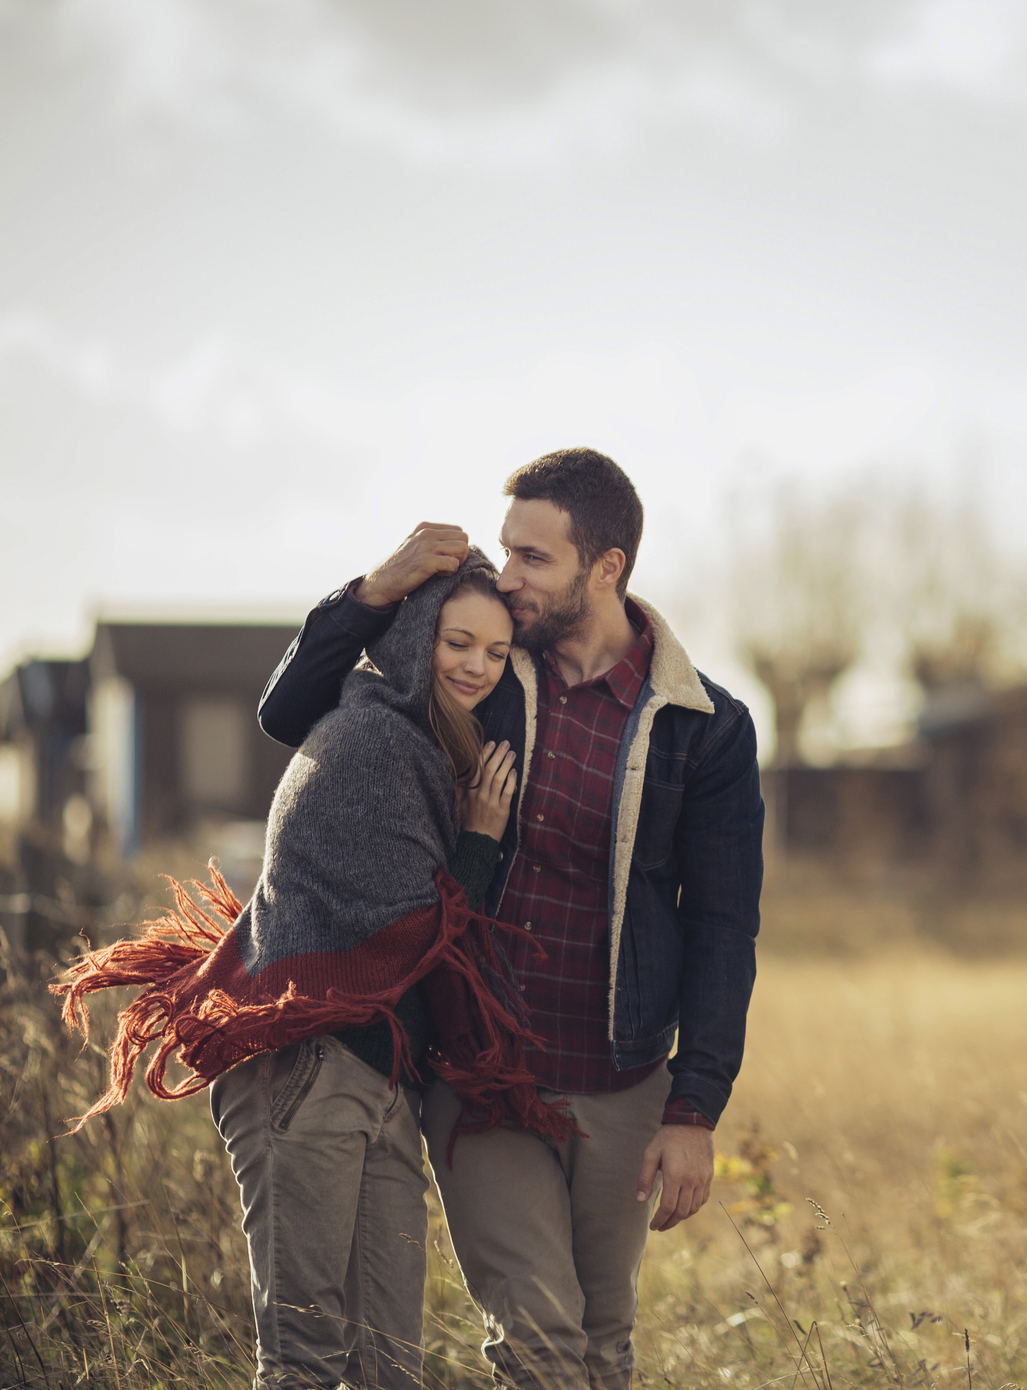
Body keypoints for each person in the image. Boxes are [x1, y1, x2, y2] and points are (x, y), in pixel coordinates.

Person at [257, 448, 764, 1390]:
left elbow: (724, 928)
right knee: (537, 1346)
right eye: (506, 550)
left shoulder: (706, 726)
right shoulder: (484, 671)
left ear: (605, 568)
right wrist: (377, 587)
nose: (508, 576)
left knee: (602, 1345)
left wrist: (694, 1108)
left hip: (621, 1081)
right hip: (486, 1077)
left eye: (533, 557)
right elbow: (291, 708)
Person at [57, 553, 560, 1390]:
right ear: (410, 640)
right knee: (303, 1364)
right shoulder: (369, 743)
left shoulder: (428, 749)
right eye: (457, 641)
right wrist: (476, 842)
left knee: (388, 1368)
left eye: (497, 652)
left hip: (378, 1076)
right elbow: (414, 940)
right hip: (310, 1072)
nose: (477, 665)